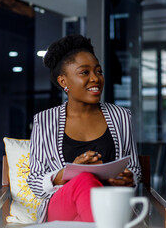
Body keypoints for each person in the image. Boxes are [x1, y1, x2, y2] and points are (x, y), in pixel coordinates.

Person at [27, 34, 142, 223]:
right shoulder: (44, 120)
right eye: (84, 73)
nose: (95, 79)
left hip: (110, 201)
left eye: (98, 71)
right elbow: (35, 182)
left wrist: (129, 178)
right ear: (63, 82)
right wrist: (68, 174)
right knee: (85, 180)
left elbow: (134, 169)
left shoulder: (121, 116)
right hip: (63, 206)